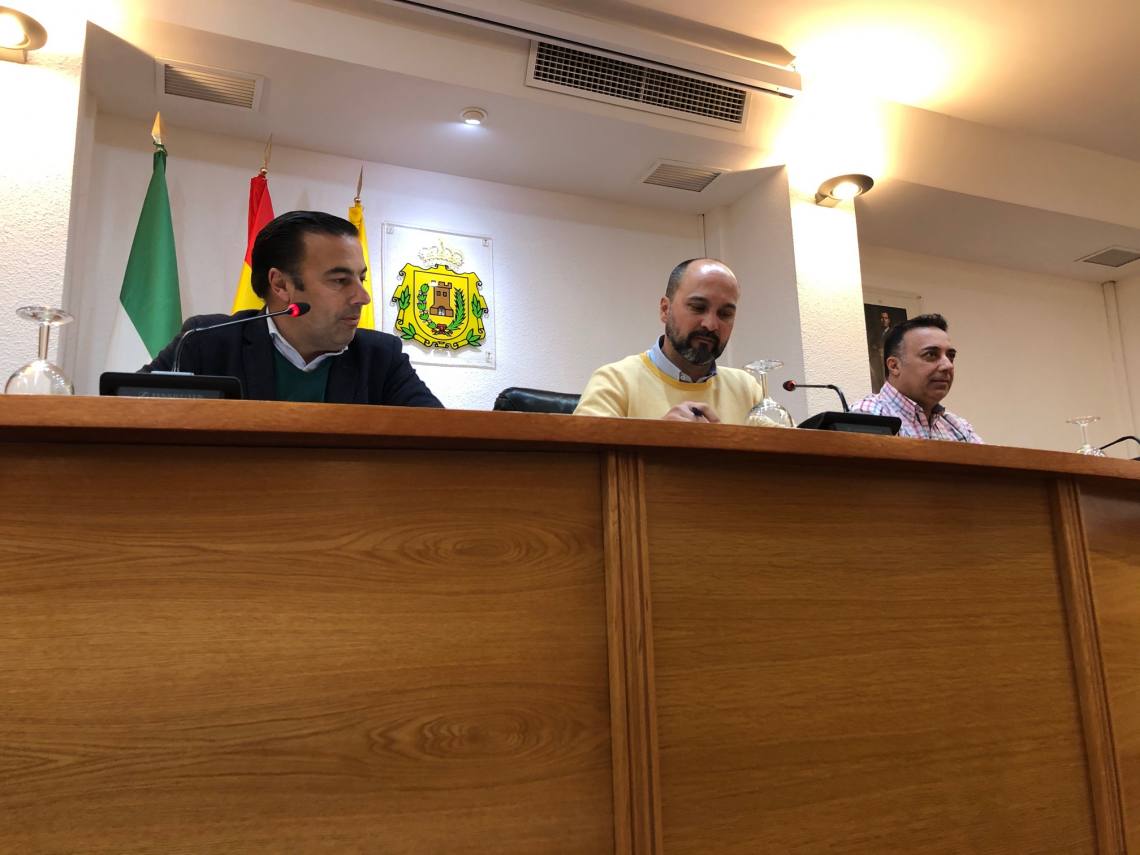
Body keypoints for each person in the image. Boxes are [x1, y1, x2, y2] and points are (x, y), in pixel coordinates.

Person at [145, 211, 442, 407]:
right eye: (340, 280)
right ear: (281, 285)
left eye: (361, 278)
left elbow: (441, 440)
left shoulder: (381, 357)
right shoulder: (205, 343)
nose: (362, 297)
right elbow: (131, 412)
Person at [573, 258, 776, 424]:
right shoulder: (615, 381)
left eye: (725, 314)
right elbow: (581, 459)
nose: (711, 324)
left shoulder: (746, 389)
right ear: (665, 309)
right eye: (698, 307)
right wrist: (659, 437)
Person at [850, 313, 981, 442]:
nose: (948, 365)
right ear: (894, 366)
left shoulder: (959, 428)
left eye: (950, 356)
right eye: (931, 355)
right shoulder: (868, 416)